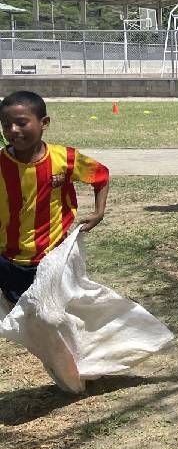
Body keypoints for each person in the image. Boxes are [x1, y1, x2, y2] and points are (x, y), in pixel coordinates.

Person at [0, 91, 110, 305]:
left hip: (52, 258)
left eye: (22, 123)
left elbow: (101, 175)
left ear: (44, 123)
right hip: (8, 258)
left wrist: (99, 212)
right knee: (22, 317)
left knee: (52, 316)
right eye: (5, 125)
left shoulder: (64, 159)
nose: (13, 130)